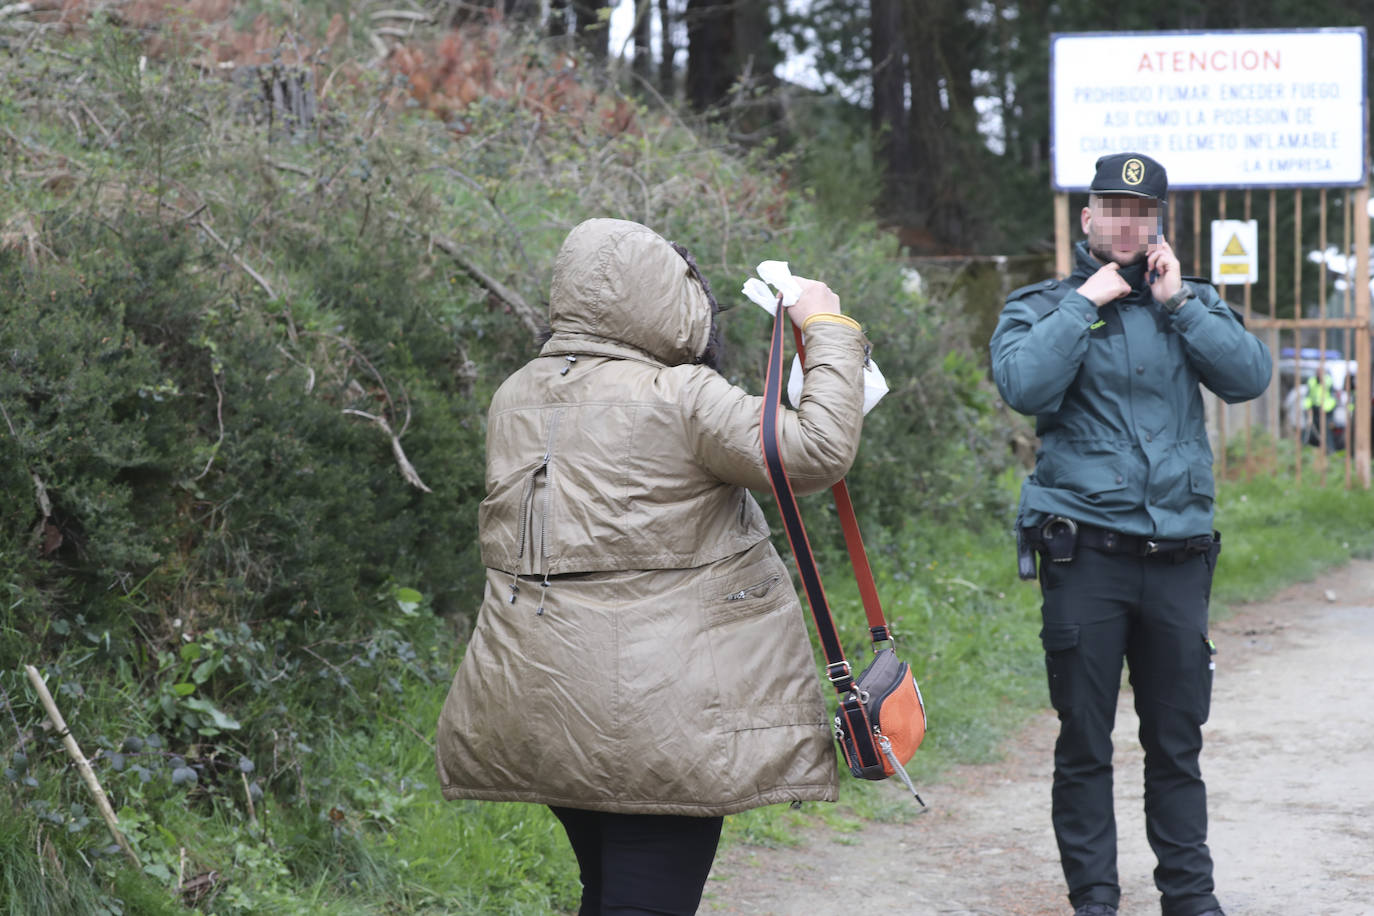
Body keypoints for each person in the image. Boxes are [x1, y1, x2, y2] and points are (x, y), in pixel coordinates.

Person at [434, 218, 870, 915]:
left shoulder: (516, 395)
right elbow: (816, 450)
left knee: (609, 892)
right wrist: (828, 327)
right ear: (670, 300)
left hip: (538, 702)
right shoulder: (681, 397)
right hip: (663, 721)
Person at [989, 153, 1271, 916]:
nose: (1125, 222)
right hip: (1087, 556)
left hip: (1179, 556)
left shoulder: (1194, 304)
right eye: (1111, 208)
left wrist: (1181, 303)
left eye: (1139, 211)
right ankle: (1096, 902)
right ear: (1087, 220)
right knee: (1085, 741)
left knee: (1176, 742)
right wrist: (1088, 302)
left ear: (1157, 224)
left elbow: (1247, 377)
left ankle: (1191, 897)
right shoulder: (1042, 306)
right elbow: (1024, 386)